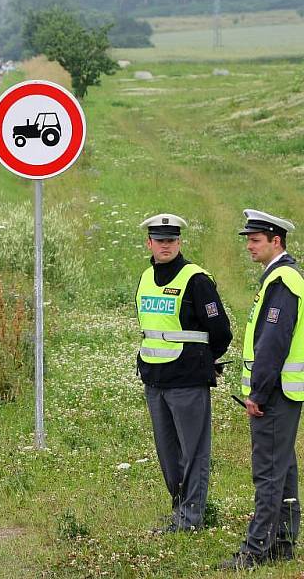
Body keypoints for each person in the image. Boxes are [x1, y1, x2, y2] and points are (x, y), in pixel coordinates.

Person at [135, 213, 232, 533]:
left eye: (172, 240)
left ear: (179, 242)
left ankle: (191, 519)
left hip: (188, 380)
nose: (166, 246)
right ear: (149, 243)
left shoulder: (197, 279)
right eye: (160, 241)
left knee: (193, 453)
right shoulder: (146, 277)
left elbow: (221, 332)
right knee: (168, 453)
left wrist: (200, 361)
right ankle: (179, 511)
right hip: (155, 379)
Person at [220, 209, 303, 570]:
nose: (250, 246)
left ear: (276, 241)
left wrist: (258, 393)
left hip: (276, 393)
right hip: (285, 391)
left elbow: (273, 342)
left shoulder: (283, 281)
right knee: (283, 468)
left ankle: (255, 552)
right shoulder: (283, 277)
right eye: (249, 240)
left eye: (255, 240)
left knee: (268, 471)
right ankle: (283, 544)